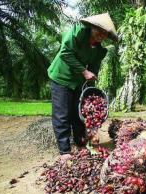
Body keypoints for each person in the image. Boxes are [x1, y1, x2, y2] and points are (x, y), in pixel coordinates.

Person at [47, 13, 118, 162]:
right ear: (92, 27)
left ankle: (80, 141)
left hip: (78, 82)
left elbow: (93, 71)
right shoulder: (76, 33)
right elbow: (65, 53)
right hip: (61, 77)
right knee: (62, 114)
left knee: (79, 113)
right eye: (99, 29)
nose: (102, 34)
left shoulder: (100, 51)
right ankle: (64, 150)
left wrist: (90, 95)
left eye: (105, 33)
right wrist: (84, 71)